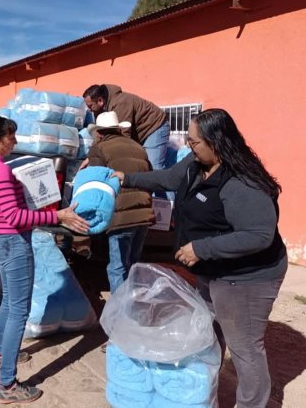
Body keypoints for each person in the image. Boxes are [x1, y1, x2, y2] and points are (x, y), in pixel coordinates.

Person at [112, 109, 287, 408]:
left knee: (244, 348)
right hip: (211, 270)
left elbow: (259, 235)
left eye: (194, 142)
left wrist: (201, 249)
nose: (190, 147)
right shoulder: (195, 164)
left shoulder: (242, 182)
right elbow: (167, 178)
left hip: (245, 277)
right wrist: (126, 178)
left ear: (216, 143)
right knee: (207, 331)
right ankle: (202, 393)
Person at [0, 114, 89, 404]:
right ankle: (7, 384)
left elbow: (4, 210)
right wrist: (57, 215)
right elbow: (15, 216)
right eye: (11, 137)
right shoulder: (1, 172)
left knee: (10, 300)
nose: (15, 141)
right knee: (19, 310)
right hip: (12, 241)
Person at [86, 112, 154, 295]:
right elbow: (151, 178)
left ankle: (120, 313)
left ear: (99, 133)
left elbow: (96, 183)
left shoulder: (99, 149)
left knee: (117, 267)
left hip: (120, 216)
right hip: (144, 215)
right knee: (133, 264)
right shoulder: (138, 147)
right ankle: (133, 305)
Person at [83, 84, 170, 170]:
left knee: (153, 168)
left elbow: (122, 135)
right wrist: (91, 156)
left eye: (90, 106)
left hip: (154, 126)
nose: (89, 110)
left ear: (100, 101)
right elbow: (99, 134)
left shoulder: (121, 103)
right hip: (139, 132)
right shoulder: (99, 110)